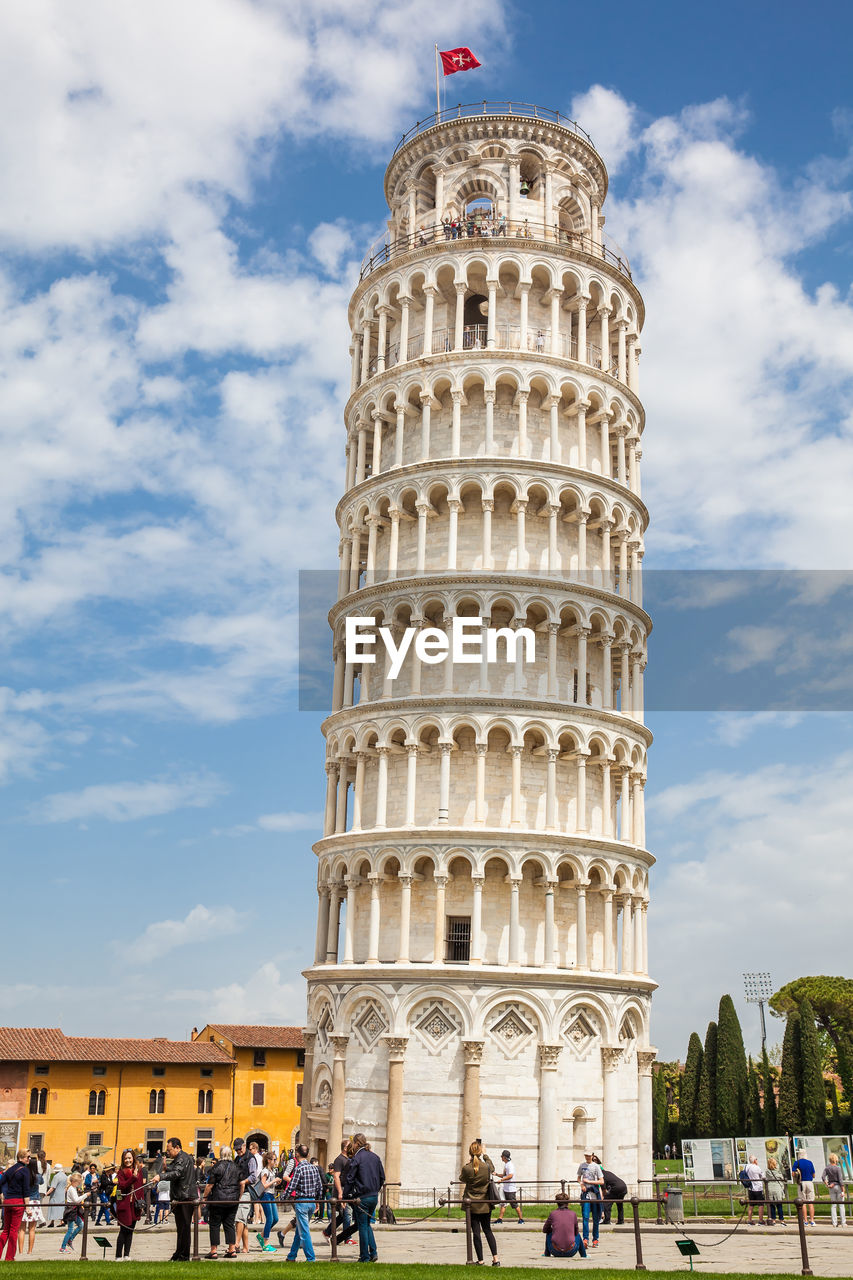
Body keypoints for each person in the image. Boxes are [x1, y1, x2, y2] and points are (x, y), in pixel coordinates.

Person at [151, 1136, 198, 1262]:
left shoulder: (182, 1158)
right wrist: (167, 1168)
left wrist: (160, 1176)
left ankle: (184, 1255)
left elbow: (177, 1173)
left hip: (185, 1197)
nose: (168, 1152)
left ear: (177, 1148)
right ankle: (179, 1252)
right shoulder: (180, 1158)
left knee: (185, 1227)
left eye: (169, 1150)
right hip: (181, 1196)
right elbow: (176, 1170)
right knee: (181, 1227)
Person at [342, 1133, 385, 1264]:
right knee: (366, 1225)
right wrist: (375, 1189)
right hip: (373, 1196)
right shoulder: (375, 1157)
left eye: (353, 1144)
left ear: (356, 1143)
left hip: (362, 1197)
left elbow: (350, 1179)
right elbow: (382, 1177)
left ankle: (364, 1256)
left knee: (362, 1226)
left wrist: (345, 1196)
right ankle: (373, 1252)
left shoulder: (357, 1158)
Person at [460, 1139, 500, 1266]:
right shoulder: (486, 1167)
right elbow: (492, 1168)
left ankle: (481, 1260)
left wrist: (469, 1163)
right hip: (485, 1203)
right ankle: (496, 1258)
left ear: (470, 1153)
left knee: (476, 1232)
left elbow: (462, 1178)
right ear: (480, 1151)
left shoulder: (467, 1168)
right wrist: (486, 1155)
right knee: (488, 1230)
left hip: (471, 1204)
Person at [284, 1143, 324, 1262]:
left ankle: (311, 1258)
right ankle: (291, 1256)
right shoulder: (314, 1168)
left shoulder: (299, 1168)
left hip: (302, 1201)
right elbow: (319, 1187)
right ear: (307, 1154)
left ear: (297, 1154)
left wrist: (282, 1198)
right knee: (300, 1230)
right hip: (311, 1201)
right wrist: (317, 1201)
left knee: (304, 1232)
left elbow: (291, 1186)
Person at [203, 1144, 245, 1259]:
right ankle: (232, 1249)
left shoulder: (216, 1167)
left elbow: (209, 1185)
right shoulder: (236, 1167)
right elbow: (242, 1183)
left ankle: (214, 1251)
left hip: (218, 1199)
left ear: (221, 1154)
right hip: (233, 1200)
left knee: (215, 1224)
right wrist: (239, 1196)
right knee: (229, 1224)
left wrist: (205, 1197)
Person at [0, 1148, 35, 1260]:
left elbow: (1, 1182)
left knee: (5, 1230)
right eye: (27, 1157)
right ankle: (9, 1257)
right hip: (18, 1202)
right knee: (14, 1231)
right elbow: (26, 1190)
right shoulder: (25, 1170)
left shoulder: (10, 1170)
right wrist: (27, 1207)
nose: (29, 1159)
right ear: (21, 1157)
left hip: (8, 1201)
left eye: (29, 1157)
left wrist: (2, 1195)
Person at [115, 1148, 144, 1259]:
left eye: (129, 1158)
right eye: (125, 1158)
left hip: (135, 1205)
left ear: (133, 1158)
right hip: (124, 1205)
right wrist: (133, 1177)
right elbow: (122, 1185)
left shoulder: (138, 1170)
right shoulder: (121, 1172)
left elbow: (140, 1187)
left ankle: (127, 1255)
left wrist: (141, 1203)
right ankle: (118, 1256)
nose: (128, 1160)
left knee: (131, 1230)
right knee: (123, 1230)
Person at [542, 1192, 586, 1259]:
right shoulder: (573, 1214)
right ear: (568, 1203)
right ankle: (583, 1255)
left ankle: (547, 1253)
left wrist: (553, 1230)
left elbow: (545, 1229)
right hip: (571, 1251)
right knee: (578, 1235)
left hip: (555, 1251)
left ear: (557, 1203)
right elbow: (576, 1232)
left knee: (548, 1234)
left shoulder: (553, 1214)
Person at [576, 1151, 603, 1248]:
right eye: (586, 1156)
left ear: (592, 1155)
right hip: (586, 1194)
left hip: (594, 1194)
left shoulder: (596, 1166)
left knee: (596, 1218)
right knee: (585, 1217)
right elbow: (579, 1178)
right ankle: (585, 1239)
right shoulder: (582, 1165)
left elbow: (602, 1181)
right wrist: (582, 1184)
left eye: (589, 1155)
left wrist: (590, 1182)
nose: (587, 1157)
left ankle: (595, 1239)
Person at [18, 1155, 45, 1255]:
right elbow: (42, 1182)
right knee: (32, 1229)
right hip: (35, 1201)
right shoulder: (38, 1176)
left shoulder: (23, 1174)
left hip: (25, 1201)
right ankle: (30, 1251)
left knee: (21, 1229)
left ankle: (20, 1251)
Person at [256, 1151, 281, 1252]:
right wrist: (273, 1181)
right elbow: (263, 1185)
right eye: (274, 1159)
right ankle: (266, 1243)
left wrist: (276, 1183)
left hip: (271, 1195)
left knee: (275, 1219)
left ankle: (261, 1236)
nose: (275, 1161)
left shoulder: (272, 1171)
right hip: (265, 1195)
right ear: (269, 1160)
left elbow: (270, 1185)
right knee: (270, 1218)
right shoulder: (265, 1171)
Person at [59, 1172, 88, 1253]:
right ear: (75, 1182)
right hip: (71, 1210)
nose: (80, 1184)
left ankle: (70, 1240)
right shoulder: (71, 1189)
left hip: (74, 1210)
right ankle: (63, 1247)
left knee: (81, 1224)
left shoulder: (73, 1188)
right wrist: (85, 1195)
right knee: (70, 1229)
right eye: (79, 1182)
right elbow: (76, 1200)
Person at [495, 1149, 523, 1225]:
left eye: (501, 1156)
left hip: (510, 1188)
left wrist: (501, 1180)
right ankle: (500, 1219)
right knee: (503, 1204)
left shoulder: (510, 1165)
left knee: (514, 1205)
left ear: (504, 1157)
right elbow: (505, 1175)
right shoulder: (506, 1164)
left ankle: (521, 1219)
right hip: (506, 1188)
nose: (501, 1158)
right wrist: (496, 1174)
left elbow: (510, 1176)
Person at [792, 1150, 817, 1225]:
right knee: (811, 1202)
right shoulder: (810, 1162)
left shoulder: (797, 1163)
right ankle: (812, 1220)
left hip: (801, 1183)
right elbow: (814, 1175)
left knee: (802, 1203)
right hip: (809, 1182)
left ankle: (805, 1221)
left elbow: (793, 1174)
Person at [822, 1153, 846, 1228]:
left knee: (833, 1205)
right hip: (838, 1186)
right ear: (836, 1159)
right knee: (841, 1205)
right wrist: (843, 1190)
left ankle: (834, 1223)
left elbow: (823, 1177)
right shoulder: (838, 1168)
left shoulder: (827, 1168)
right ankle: (843, 1223)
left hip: (831, 1187)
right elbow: (840, 1180)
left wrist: (827, 1184)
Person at [744, 1154, 765, 1225]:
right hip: (758, 1188)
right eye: (756, 1159)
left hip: (750, 1187)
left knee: (751, 1205)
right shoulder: (757, 1168)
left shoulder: (747, 1167)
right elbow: (762, 1176)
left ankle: (749, 1220)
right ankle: (760, 1220)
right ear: (754, 1160)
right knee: (761, 1204)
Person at [45, 1162, 67, 1228]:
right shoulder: (65, 1176)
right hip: (62, 1194)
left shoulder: (56, 1176)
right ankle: (61, 1221)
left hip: (55, 1194)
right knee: (61, 1208)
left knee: (53, 1207)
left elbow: (53, 1187)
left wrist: (47, 1193)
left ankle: (53, 1222)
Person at [765, 1157, 786, 1224]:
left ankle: (773, 1219)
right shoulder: (778, 1171)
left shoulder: (767, 1172)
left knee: (772, 1205)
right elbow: (782, 1178)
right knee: (779, 1205)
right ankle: (781, 1219)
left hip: (770, 1188)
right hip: (777, 1188)